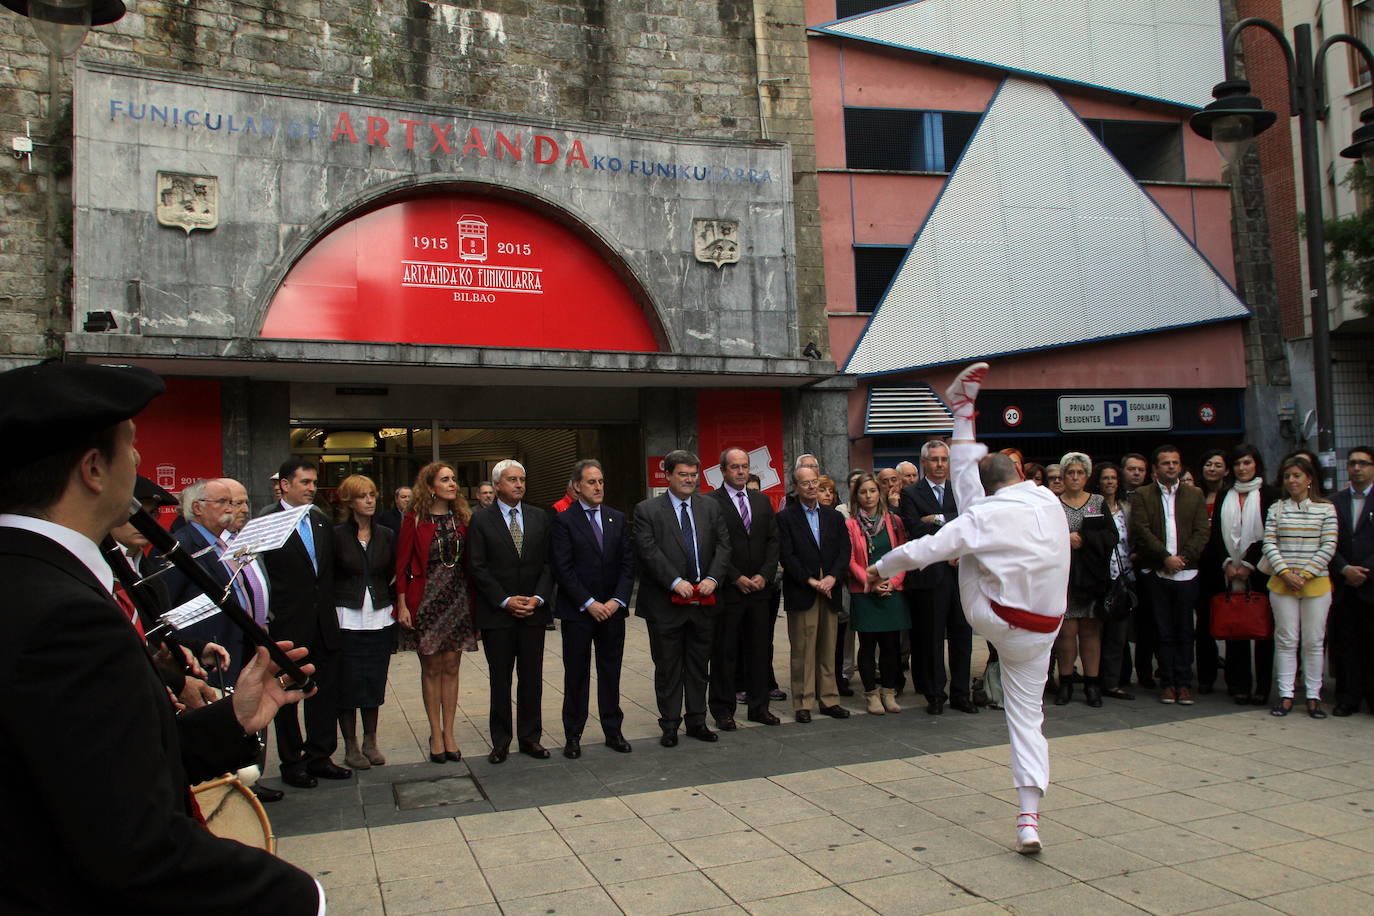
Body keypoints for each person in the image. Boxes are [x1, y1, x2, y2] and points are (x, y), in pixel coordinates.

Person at [0, 360, 321, 911]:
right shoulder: (63, 616)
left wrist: (232, 719)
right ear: (94, 470)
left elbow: (101, 769)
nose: (140, 461)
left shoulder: (31, 576)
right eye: (130, 445)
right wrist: (301, 896)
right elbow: (131, 844)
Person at [871, 362, 1069, 855]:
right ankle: (1028, 817)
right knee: (1029, 718)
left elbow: (922, 549)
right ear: (1022, 474)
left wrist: (879, 567)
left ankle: (963, 410)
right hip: (1045, 629)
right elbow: (974, 484)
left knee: (960, 547)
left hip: (993, 617)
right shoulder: (1047, 501)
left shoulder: (981, 515)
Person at [634, 450, 731, 745]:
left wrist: (713, 579)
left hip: (704, 603)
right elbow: (648, 552)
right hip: (665, 605)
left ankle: (697, 721)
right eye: (683, 474)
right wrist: (675, 582)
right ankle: (670, 724)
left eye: (693, 474)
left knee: (700, 665)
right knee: (668, 667)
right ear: (668, 475)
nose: (689, 480)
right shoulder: (647, 510)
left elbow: (724, 547)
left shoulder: (710, 508)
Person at [262, 459, 348, 787]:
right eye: (305, 483)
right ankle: (292, 761)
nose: (312, 488)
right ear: (284, 485)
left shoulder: (322, 521)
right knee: (286, 696)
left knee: (323, 693)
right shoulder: (267, 523)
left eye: (314, 483)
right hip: (287, 625)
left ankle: (320, 756)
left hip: (323, 624)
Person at [469, 459, 555, 762]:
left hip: (533, 612)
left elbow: (549, 563)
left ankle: (531, 738)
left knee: (532, 678)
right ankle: (501, 741)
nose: (519, 484)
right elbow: (477, 566)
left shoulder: (539, 517)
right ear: (496, 485)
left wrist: (538, 598)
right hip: (499, 614)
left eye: (522, 479)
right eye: (512, 479)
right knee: (500, 679)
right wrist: (505, 600)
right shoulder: (481, 520)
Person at [549, 459, 636, 757]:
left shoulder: (617, 518)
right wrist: (589, 603)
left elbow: (628, 564)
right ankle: (573, 734)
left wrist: (616, 601)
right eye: (591, 482)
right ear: (576, 486)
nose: (598, 487)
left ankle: (613, 730)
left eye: (600, 481)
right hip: (579, 613)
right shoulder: (563, 521)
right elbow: (563, 568)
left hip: (613, 611)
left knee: (610, 672)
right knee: (576, 674)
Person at [396, 462, 476, 763]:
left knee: (452, 666)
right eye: (445, 480)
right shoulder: (414, 520)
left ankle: (450, 733)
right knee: (431, 668)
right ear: (430, 487)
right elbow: (401, 565)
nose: (452, 483)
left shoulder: (463, 518)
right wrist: (402, 604)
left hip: (457, 599)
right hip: (426, 601)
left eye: (454, 478)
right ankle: (435, 732)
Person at [898, 439, 976, 715]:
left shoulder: (962, 490)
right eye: (934, 460)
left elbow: (971, 522)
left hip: (961, 574)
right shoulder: (911, 493)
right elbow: (916, 529)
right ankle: (935, 694)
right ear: (924, 463)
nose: (940, 464)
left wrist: (938, 519)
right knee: (931, 637)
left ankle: (961, 693)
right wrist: (949, 525)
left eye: (944, 459)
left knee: (962, 636)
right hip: (931, 577)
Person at [1128, 444, 1210, 705]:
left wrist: (1183, 559)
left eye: (1175, 462)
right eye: (1166, 463)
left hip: (1187, 573)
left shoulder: (1195, 494)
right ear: (1155, 468)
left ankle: (1184, 684)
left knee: (1185, 630)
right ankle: (1167, 683)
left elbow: (1202, 531)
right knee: (1162, 631)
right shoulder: (1142, 495)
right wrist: (1165, 558)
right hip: (1158, 572)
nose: (1172, 467)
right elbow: (1141, 530)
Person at [707, 448, 781, 728]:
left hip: (760, 591)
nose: (741, 472)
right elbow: (712, 546)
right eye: (735, 467)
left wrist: (765, 574)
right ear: (723, 470)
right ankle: (723, 710)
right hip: (729, 590)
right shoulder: (711, 503)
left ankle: (759, 707)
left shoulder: (762, 501)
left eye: (745, 466)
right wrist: (735, 577)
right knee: (725, 652)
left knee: (759, 651)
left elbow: (773, 541)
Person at [1262, 455, 1339, 718]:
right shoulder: (1276, 508)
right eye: (1287, 476)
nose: (1291, 480)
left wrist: (1304, 574)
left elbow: (1328, 545)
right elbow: (1269, 543)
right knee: (1285, 640)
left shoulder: (1326, 508)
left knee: (1314, 641)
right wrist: (1285, 572)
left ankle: (1313, 696)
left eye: (1296, 475)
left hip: (1315, 584)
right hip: (1283, 584)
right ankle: (1285, 694)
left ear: (1309, 479)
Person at [777, 463, 851, 723]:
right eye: (805, 483)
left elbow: (845, 551)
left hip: (830, 591)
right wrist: (810, 580)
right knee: (803, 651)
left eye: (814, 481)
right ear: (796, 488)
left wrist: (832, 577)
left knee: (828, 648)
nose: (812, 487)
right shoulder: (786, 517)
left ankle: (829, 699)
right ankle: (803, 702)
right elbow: (786, 555)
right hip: (803, 591)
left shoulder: (833, 516)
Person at [332, 474, 395, 771]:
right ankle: (351, 745)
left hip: (380, 616)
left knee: (374, 679)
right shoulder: (336, 536)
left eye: (372, 494)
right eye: (362, 496)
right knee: (347, 682)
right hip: (347, 617)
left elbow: (391, 573)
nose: (369, 500)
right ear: (349, 501)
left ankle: (371, 740)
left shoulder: (385, 534)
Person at [1209, 444, 1275, 706]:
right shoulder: (1225, 495)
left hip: (1261, 571)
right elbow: (1216, 533)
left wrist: (1248, 564)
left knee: (1262, 630)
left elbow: (1271, 532)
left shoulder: (1270, 495)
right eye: (1237, 464)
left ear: (1256, 464)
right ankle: (1239, 685)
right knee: (1236, 628)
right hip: (1229, 571)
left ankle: (1263, 687)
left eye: (1247, 463)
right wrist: (1227, 562)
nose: (1242, 468)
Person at [160, 478, 242, 685]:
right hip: (204, 656)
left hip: (232, 648)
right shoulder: (179, 546)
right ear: (198, 507)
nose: (230, 509)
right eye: (223, 502)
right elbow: (164, 607)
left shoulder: (224, 542)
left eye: (232, 503)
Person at [1052, 452, 1117, 708]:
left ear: (1087, 476)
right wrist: (1064, 539)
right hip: (1064, 578)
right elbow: (1043, 537)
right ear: (1063, 476)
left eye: (1080, 473)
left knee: (1090, 631)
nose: (1075, 477)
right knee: (1067, 632)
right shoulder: (1053, 503)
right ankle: (1065, 681)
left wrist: (1086, 539)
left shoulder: (1098, 502)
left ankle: (1092, 684)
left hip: (1092, 578)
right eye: (1070, 473)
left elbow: (1112, 536)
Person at [846, 473, 908, 714]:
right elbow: (849, 559)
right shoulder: (851, 524)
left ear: (879, 493)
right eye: (863, 492)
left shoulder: (894, 521)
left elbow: (904, 554)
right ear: (857, 496)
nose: (869, 496)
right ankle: (871, 693)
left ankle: (889, 692)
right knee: (868, 645)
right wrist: (870, 582)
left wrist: (894, 581)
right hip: (864, 591)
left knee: (891, 645)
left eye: (872, 491)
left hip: (892, 590)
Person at [1331, 447, 1374, 716]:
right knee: (1346, 644)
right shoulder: (1334, 501)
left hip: (1371, 584)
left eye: (1363, 463)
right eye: (1353, 463)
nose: (1357, 468)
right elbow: (1326, 541)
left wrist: (1365, 570)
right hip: (1344, 586)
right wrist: (1344, 568)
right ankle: (1349, 697)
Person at [1091, 461, 1136, 701]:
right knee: (1096, 633)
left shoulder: (1127, 508)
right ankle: (1095, 678)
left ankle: (1113, 680)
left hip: (1124, 575)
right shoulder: (1093, 507)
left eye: (1113, 478)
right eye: (1105, 478)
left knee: (1119, 633)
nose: (1109, 482)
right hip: (1099, 576)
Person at [1192, 449, 1230, 694]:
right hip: (1200, 565)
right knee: (1204, 622)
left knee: (1233, 619)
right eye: (1208, 464)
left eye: (1218, 464)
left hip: (1227, 565)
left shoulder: (1231, 496)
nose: (1212, 468)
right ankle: (1206, 675)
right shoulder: (1195, 495)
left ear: (1226, 470)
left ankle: (1235, 676)